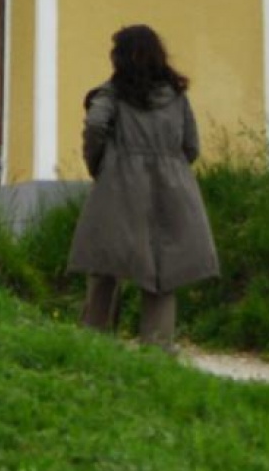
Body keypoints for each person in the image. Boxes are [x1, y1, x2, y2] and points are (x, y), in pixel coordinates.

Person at [67, 24, 219, 350]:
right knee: (164, 271)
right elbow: (191, 145)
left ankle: (93, 342)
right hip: (172, 186)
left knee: (105, 262)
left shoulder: (113, 94)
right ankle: (158, 349)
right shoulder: (176, 96)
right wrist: (173, 166)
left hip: (120, 182)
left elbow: (95, 124)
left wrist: (100, 163)